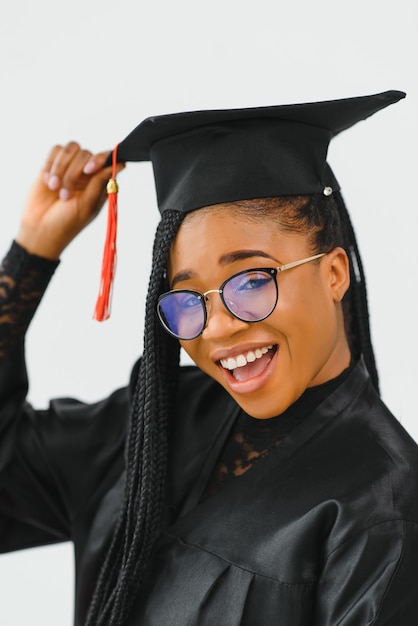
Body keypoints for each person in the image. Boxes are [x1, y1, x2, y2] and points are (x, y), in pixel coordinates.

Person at [1, 90, 417, 626]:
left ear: (333, 273)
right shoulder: (150, 426)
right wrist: (32, 253)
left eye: (251, 280)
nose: (218, 326)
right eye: (188, 299)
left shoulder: (382, 514)